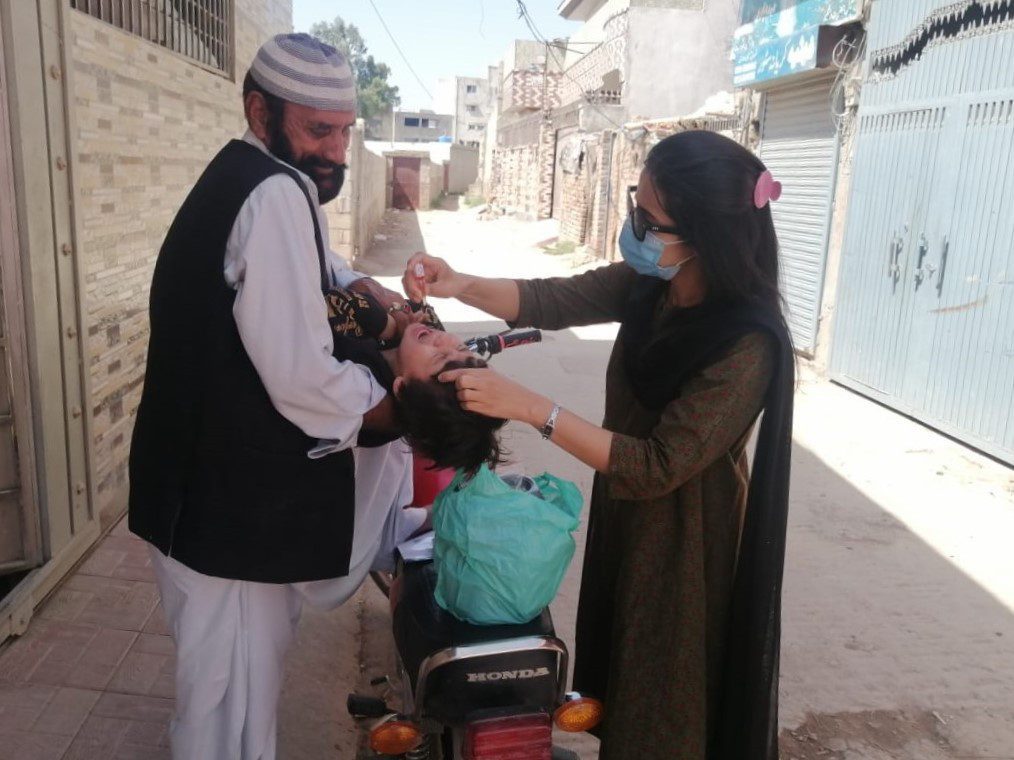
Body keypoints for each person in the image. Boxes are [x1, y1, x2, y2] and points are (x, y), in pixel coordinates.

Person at [402, 130, 795, 760]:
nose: (635, 226)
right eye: (634, 207)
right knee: (616, 678)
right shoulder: (656, 284)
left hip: (684, 544)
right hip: (627, 517)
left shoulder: (745, 344)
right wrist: (458, 282)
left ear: (702, 237)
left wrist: (531, 408)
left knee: (664, 703)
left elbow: (657, 465)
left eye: (649, 219)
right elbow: (555, 298)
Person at [127, 33, 416, 760]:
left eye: (346, 132)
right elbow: (302, 376)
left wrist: (353, 285)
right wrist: (396, 404)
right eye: (319, 130)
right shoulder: (277, 191)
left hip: (195, 493)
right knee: (227, 700)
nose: (338, 151)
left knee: (227, 686)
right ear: (260, 109)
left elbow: (309, 267)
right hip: (223, 507)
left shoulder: (250, 174)